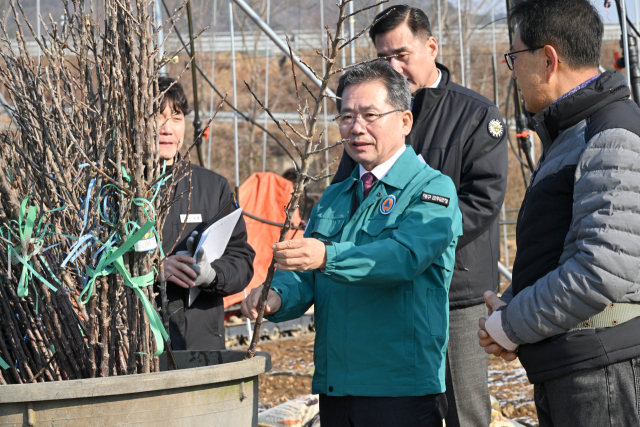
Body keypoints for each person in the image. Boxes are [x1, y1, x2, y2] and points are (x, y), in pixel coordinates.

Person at [242, 61, 462, 427]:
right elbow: (307, 273)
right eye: (346, 116)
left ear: (405, 121)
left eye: (370, 114)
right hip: (337, 386)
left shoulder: (431, 190)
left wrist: (326, 256)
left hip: (398, 388)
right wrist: (277, 296)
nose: (356, 127)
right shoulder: (334, 197)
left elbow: (402, 257)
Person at [331, 6, 508, 426]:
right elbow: (345, 192)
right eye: (382, 58)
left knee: (464, 407)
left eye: (401, 54)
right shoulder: (374, 119)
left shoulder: (475, 116)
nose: (393, 66)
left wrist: (414, 243)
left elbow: (482, 201)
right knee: (407, 408)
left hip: (456, 293)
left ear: (431, 46)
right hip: (390, 288)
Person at [478, 1, 640, 425]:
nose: (512, 70)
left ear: (548, 59)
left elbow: (601, 266)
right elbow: (559, 248)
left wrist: (513, 323)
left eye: (515, 57)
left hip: (600, 368)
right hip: (574, 364)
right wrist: (512, 307)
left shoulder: (611, 134)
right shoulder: (574, 134)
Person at [155, 76, 255, 350]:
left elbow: (242, 260)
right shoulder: (113, 192)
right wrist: (153, 270)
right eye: (156, 117)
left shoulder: (212, 187)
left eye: (176, 118)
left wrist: (211, 275)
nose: (167, 129)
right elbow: (92, 267)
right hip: (136, 350)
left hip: (199, 347)